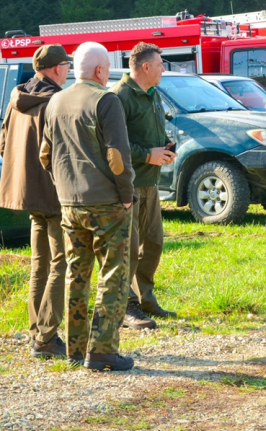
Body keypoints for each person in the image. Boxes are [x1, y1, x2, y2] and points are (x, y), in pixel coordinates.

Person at [41, 42, 135, 371]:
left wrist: (63, 185)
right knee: (113, 274)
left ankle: (76, 350)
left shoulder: (55, 101)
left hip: (69, 203)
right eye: (108, 69)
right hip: (106, 202)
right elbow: (118, 157)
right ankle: (103, 351)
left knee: (76, 276)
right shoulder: (105, 99)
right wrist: (126, 193)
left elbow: (44, 154)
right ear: (99, 70)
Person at [0, 45, 71, 359]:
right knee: (61, 262)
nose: (68, 71)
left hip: (27, 193)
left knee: (39, 264)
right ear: (56, 69)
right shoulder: (56, 101)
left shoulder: (17, 98)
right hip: (54, 194)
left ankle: (36, 330)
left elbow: (3, 144)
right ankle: (45, 337)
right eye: (66, 65)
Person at [111, 42, 177, 329]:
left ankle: (146, 299)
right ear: (146, 67)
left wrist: (165, 148)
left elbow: (150, 131)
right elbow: (114, 144)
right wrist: (147, 154)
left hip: (151, 183)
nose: (164, 68)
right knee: (129, 247)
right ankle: (127, 307)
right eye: (160, 63)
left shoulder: (154, 93)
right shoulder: (119, 96)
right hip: (129, 185)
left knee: (153, 244)